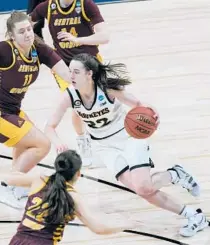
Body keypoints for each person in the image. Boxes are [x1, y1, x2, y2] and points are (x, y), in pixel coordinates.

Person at [44, 53, 209, 237]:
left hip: (128, 137)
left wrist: (151, 113)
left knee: (144, 188)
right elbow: (49, 127)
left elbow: (138, 104)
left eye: (76, 72)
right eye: (70, 72)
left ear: (89, 74)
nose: (71, 76)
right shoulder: (69, 96)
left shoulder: (106, 89)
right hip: (104, 147)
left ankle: (177, 179)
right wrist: (58, 143)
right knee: (142, 190)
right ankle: (189, 206)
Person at [0, 11, 73, 209]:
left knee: (25, 143)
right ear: (12, 35)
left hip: (12, 109)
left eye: (29, 29)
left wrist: (88, 82)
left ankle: (16, 184)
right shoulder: (5, 50)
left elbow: (65, 73)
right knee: (42, 144)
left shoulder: (39, 50)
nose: (27, 34)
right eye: (21, 31)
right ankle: (6, 185)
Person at [29, 0, 109, 166]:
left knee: (101, 104)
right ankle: (83, 141)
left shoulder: (86, 5)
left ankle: (104, 139)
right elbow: (26, 25)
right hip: (64, 66)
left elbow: (104, 37)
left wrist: (78, 40)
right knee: (77, 104)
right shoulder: (46, 7)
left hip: (91, 62)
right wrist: (42, 47)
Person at [0, 150, 139, 244]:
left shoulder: (39, 180)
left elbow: (6, 179)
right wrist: (125, 225)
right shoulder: (73, 197)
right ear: (78, 174)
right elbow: (98, 228)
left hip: (17, 241)